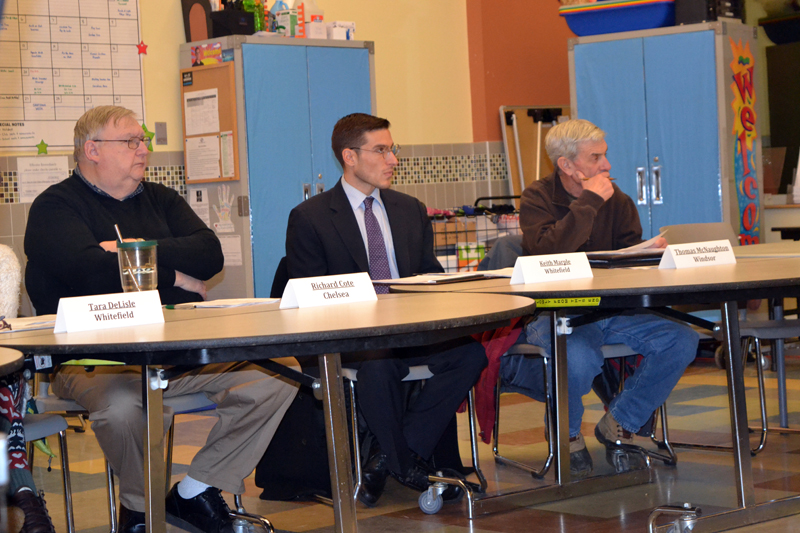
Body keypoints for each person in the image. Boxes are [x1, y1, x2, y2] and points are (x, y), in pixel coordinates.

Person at [24, 106, 299, 533]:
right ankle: (140, 507)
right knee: (122, 407)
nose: (143, 149)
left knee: (276, 377)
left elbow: (209, 254)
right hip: (96, 362)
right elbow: (84, 271)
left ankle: (194, 489)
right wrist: (172, 274)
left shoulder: (161, 198)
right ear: (91, 149)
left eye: (144, 140)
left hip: (176, 353)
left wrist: (131, 249)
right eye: (131, 141)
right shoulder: (54, 207)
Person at [284, 113, 487, 506]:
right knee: (379, 364)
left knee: (470, 354)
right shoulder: (310, 218)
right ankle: (402, 459)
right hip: (356, 336)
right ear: (350, 157)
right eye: (381, 150)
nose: (393, 159)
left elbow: (428, 274)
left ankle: (392, 458)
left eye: (393, 149)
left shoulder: (409, 208)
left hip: (412, 330)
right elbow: (309, 296)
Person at [501, 119, 698, 477]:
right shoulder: (538, 198)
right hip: (560, 312)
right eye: (596, 158)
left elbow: (627, 258)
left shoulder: (617, 200)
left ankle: (621, 422)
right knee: (576, 357)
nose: (606, 166)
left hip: (611, 309)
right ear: (566, 165)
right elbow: (548, 251)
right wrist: (589, 202)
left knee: (682, 340)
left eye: (604, 156)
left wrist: (648, 255)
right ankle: (568, 432)